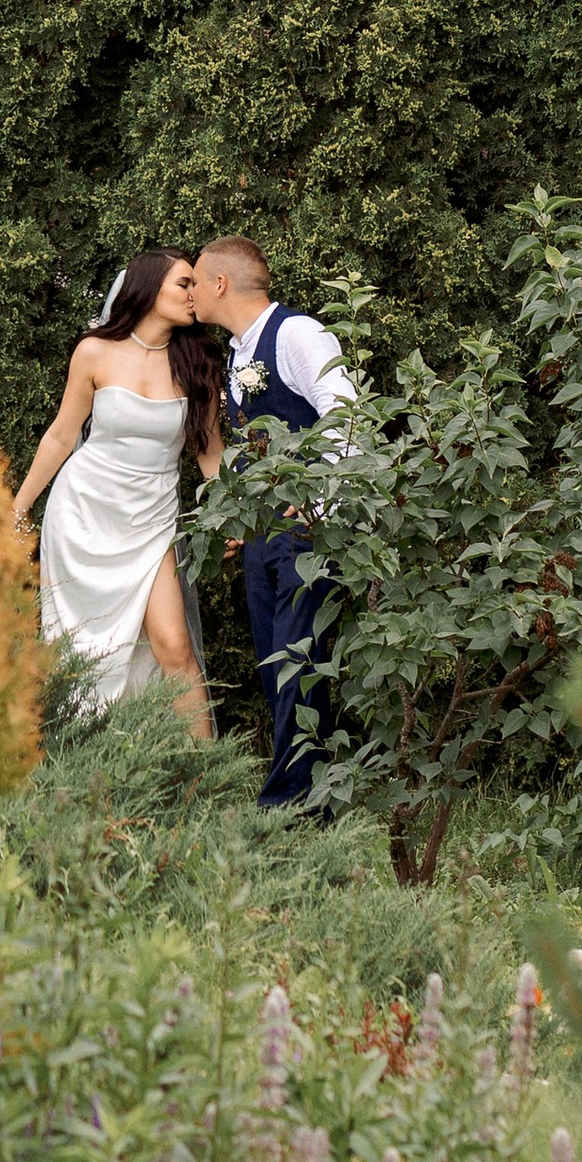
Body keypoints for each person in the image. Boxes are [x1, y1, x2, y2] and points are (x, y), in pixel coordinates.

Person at [12, 249, 228, 733]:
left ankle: (209, 783)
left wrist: (234, 514)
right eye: (184, 284)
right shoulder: (95, 352)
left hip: (152, 523)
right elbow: (62, 435)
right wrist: (21, 505)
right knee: (84, 653)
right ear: (149, 288)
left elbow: (209, 456)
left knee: (175, 648)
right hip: (84, 515)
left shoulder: (200, 365)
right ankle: (87, 770)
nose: (195, 294)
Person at [190, 235, 355, 809]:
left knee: (296, 663)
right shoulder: (238, 352)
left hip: (309, 534)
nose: (189, 293)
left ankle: (287, 807)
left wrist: (319, 499)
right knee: (273, 664)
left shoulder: (297, 334)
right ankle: (316, 801)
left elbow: (347, 413)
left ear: (219, 284)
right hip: (263, 538)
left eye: (194, 282)